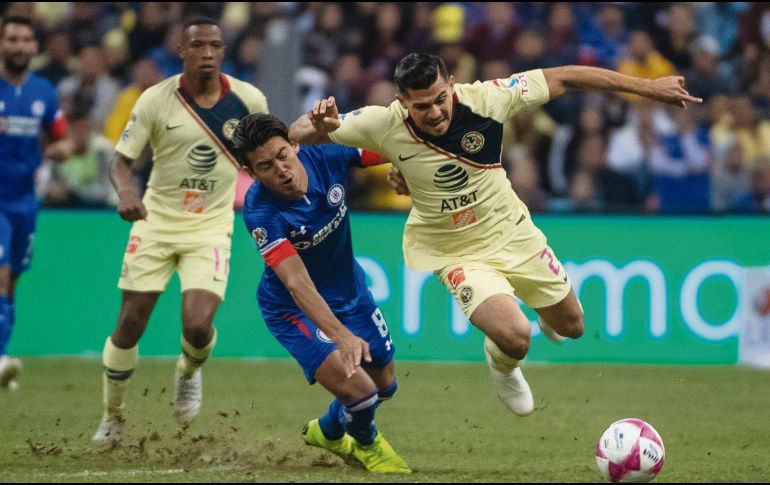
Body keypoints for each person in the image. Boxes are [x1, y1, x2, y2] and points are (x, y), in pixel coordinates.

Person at [290, 53, 701, 417]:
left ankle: (541, 313)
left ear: (451, 85)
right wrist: (318, 122)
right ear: (402, 103)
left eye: (439, 98)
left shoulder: (489, 98)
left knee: (572, 326)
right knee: (516, 336)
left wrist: (647, 88)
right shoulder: (381, 122)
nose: (434, 112)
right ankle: (502, 363)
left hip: (512, 232)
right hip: (453, 250)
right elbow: (296, 133)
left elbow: (568, 76)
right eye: (421, 106)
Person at [92, 18, 268, 442]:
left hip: (210, 227)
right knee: (131, 323)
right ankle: (112, 415)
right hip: (155, 222)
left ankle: (188, 370)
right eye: (199, 46)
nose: (208, 53)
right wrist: (126, 192)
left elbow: (266, 154)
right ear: (182, 51)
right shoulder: (156, 99)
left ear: (222, 52)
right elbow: (120, 160)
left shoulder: (249, 100)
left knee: (197, 325)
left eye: (215, 46)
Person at [233, 113, 410, 474]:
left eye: (283, 155)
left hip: (350, 292)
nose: (281, 170)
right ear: (251, 173)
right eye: (265, 166)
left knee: (384, 385)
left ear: (294, 144)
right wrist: (340, 336)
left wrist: (408, 172)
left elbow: (391, 145)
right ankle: (367, 445)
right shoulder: (260, 211)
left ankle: (328, 432)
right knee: (361, 393)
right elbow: (297, 283)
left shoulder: (325, 155)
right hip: (291, 309)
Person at [0, 16, 69, 390]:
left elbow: (61, 138)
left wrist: (60, 149)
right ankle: (1, 358)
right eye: (12, 38)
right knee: (1, 273)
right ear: (1, 44)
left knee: (12, 284)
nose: (19, 45)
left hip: (25, 201)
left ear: (34, 47)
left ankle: (3, 352)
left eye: (26, 39)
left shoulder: (43, 90)